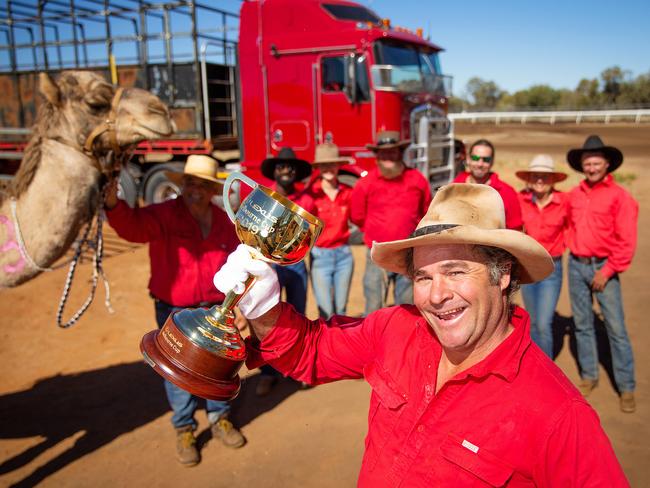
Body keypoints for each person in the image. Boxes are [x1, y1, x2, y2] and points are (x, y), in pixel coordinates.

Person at [213, 183, 628, 487]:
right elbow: (312, 353)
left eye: (456, 271)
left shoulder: (559, 414)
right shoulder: (395, 327)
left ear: (503, 275)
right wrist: (263, 306)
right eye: (423, 276)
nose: (436, 295)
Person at [105, 155, 246, 466]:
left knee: (213, 368)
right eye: (190, 182)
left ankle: (219, 418)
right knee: (177, 373)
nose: (195, 189)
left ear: (212, 190)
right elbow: (133, 227)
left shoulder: (224, 221)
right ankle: (184, 427)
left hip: (213, 309)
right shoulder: (164, 214)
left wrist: (236, 305)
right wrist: (114, 203)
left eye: (203, 184)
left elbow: (236, 267)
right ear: (182, 185)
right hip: (173, 308)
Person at [565, 135, 638, 413]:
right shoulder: (574, 194)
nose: (592, 167)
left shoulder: (621, 197)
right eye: (587, 163)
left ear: (607, 164)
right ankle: (589, 376)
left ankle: (626, 385)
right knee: (583, 324)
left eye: (596, 163)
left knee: (616, 328)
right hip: (576, 265)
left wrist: (607, 271)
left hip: (603, 267)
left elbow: (626, 241)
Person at [256, 146, 315, 396]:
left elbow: (310, 235)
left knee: (296, 318)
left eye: (290, 167)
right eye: (281, 166)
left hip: (297, 266)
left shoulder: (307, 201)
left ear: (296, 172)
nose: (286, 170)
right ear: (275, 171)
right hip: (268, 266)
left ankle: (296, 368)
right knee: (266, 318)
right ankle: (269, 372)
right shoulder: (264, 197)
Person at [351, 130, 431, 315]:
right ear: (377, 156)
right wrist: (376, 232)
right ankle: (372, 341)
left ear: (400, 153)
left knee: (407, 306)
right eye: (384, 152)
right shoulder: (366, 183)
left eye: (393, 151)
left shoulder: (417, 179)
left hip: (408, 251)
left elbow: (425, 211)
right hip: (376, 253)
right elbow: (357, 216)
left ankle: (403, 341)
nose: (388, 156)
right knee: (373, 304)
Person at [515, 154, 569, 358]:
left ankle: (547, 369)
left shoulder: (564, 201)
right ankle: (536, 362)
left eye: (545, 176)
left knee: (544, 323)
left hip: (552, 269)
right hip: (528, 267)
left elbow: (575, 226)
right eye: (535, 176)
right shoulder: (521, 200)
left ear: (553, 180)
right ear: (529, 178)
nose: (539, 180)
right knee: (534, 320)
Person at [306, 143, 355, 318]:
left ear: (338, 166)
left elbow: (359, 216)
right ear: (318, 167)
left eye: (332, 164)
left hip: (344, 255)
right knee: (325, 311)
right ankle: (326, 345)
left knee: (341, 310)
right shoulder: (311, 194)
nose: (328, 168)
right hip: (320, 256)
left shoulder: (348, 192)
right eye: (324, 164)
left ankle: (339, 344)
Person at [454, 139, 523, 230]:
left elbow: (515, 229)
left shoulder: (507, 192)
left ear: (492, 162)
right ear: (468, 159)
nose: (480, 164)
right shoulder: (454, 187)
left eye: (486, 159)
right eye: (475, 158)